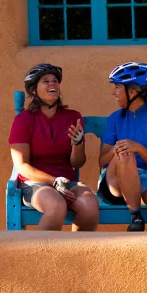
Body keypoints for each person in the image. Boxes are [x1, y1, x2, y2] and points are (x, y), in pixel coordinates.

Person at [9, 63, 99, 231]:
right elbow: (22, 165)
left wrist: (77, 144)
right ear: (34, 90)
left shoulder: (73, 117)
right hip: (35, 183)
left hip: (66, 181)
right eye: (45, 81)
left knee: (90, 204)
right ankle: (39, 256)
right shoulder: (24, 119)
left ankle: (78, 254)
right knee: (56, 206)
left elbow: (78, 162)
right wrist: (53, 181)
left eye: (55, 81)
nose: (52, 84)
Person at [98, 62, 147, 232]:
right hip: (114, 182)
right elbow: (102, 161)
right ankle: (135, 216)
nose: (114, 92)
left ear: (132, 91)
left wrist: (139, 148)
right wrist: (116, 149)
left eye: (117, 87)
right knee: (125, 154)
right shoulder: (115, 118)